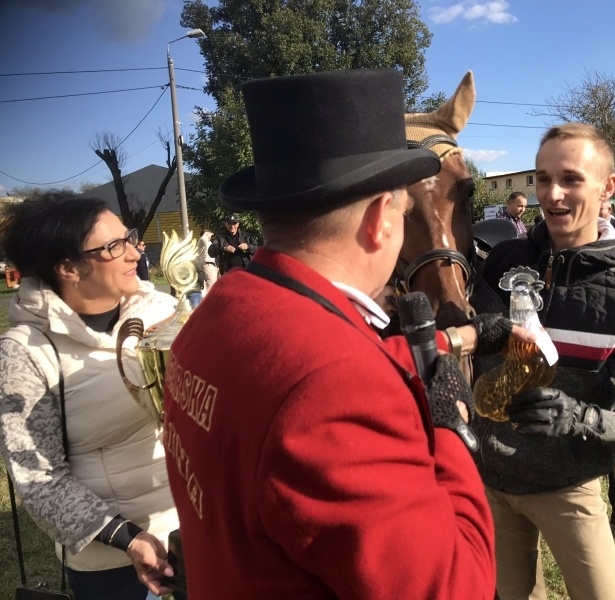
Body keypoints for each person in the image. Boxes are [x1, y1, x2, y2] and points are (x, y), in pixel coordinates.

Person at [162, 69, 535, 599]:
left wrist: (444, 346)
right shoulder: (337, 387)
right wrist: (452, 432)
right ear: (383, 218)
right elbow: (453, 588)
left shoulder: (216, 315)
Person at [471, 123, 615, 600]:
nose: (552, 194)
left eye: (571, 178)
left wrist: (582, 419)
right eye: (542, 177)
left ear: (606, 186)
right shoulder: (497, 265)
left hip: (568, 487)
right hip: (487, 484)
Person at [0, 193, 185, 600]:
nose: (135, 252)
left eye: (130, 238)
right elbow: (39, 478)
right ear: (68, 267)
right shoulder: (26, 351)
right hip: (113, 560)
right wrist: (129, 539)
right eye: (113, 246)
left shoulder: (164, 311)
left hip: (194, 528)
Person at [195, 229, 218, 296]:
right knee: (211, 284)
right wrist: (207, 234)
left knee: (212, 284)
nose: (210, 235)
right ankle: (209, 301)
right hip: (207, 263)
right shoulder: (201, 241)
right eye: (207, 234)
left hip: (212, 265)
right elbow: (203, 238)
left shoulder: (209, 242)